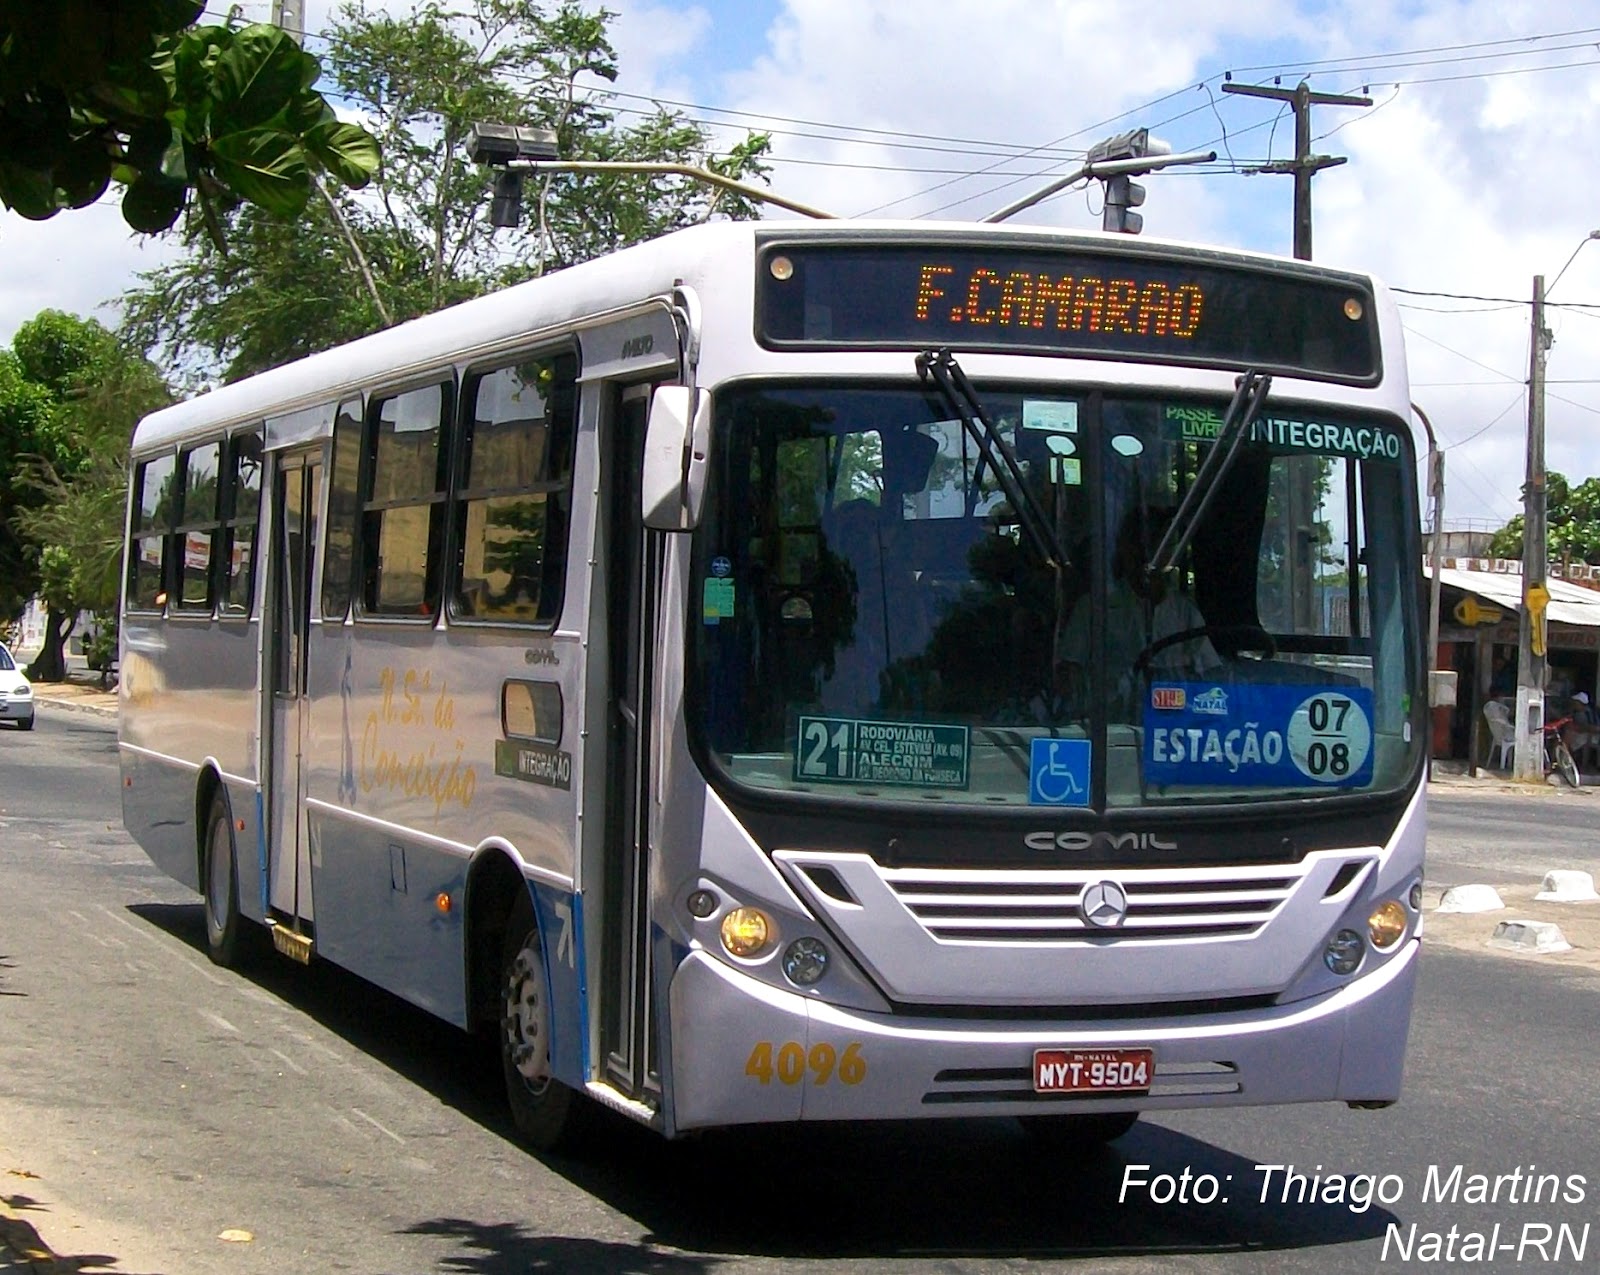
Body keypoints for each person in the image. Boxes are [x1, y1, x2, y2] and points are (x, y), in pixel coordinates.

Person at [1056, 508, 1222, 718]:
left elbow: (1212, 679)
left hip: (1175, 726)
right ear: (1123, 550)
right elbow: (1068, 677)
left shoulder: (1185, 613)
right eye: (1139, 546)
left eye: (1158, 546)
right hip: (1110, 728)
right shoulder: (1093, 609)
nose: (1148, 557)